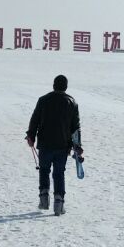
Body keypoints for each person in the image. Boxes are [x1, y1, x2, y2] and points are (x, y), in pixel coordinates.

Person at [26, 74, 83, 215]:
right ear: (66, 86)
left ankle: (44, 200)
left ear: (53, 85)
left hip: (45, 144)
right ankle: (59, 204)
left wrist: (31, 135)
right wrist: (77, 145)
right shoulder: (72, 102)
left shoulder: (43, 100)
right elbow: (75, 127)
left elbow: (35, 120)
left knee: (44, 170)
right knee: (59, 173)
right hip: (63, 145)